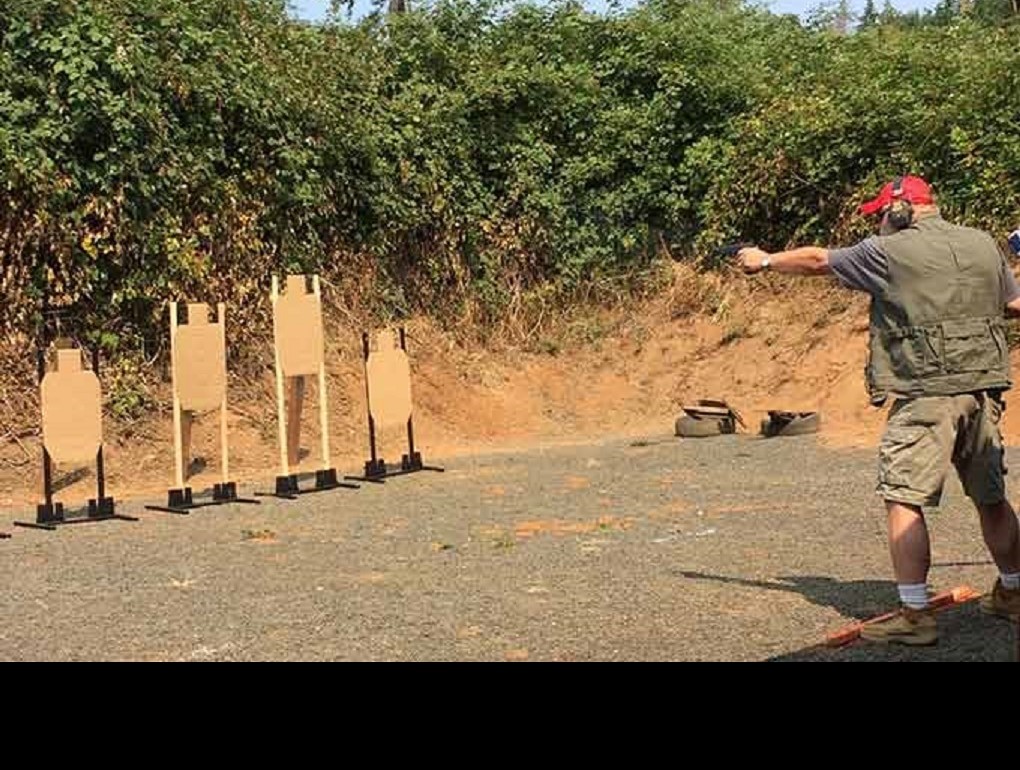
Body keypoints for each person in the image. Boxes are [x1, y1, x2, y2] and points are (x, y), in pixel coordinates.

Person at [736, 175, 1020, 645]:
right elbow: (1012, 304)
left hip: (926, 392)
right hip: (982, 391)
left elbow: (817, 260)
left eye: (881, 214)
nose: (880, 223)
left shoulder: (886, 251)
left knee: (903, 497)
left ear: (902, 209)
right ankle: (1013, 592)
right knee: (990, 496)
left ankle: (914, 614)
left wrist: (764, 260)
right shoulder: (983, 244)